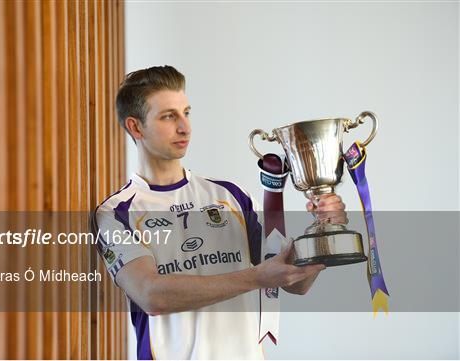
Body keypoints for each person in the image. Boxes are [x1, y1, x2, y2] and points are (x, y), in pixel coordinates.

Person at [91, 65, 347, 359]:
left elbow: (294, 282)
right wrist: (256, 278)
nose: (185, 127)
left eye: (186, 112)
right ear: (136, 127)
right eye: (168, 116)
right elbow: (151, 295)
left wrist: (325, 233)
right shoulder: (116, 212)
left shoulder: (230, 196)